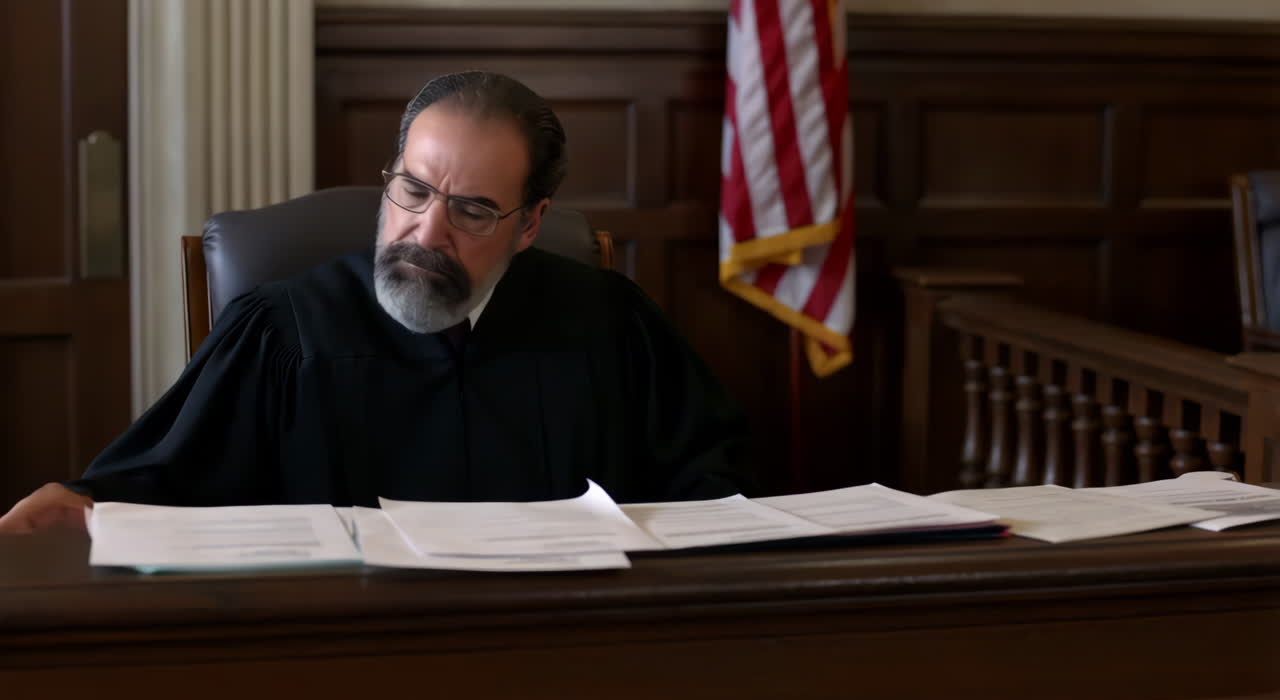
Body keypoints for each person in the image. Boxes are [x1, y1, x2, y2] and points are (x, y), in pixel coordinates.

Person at [0, 71, 751, 534]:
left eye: (474, 210)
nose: (428, 231)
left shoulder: (609, 323)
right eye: (414, 190)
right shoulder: (285, 332)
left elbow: (710, 485)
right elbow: (170, 477)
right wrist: (81, 502)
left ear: (530, 225)